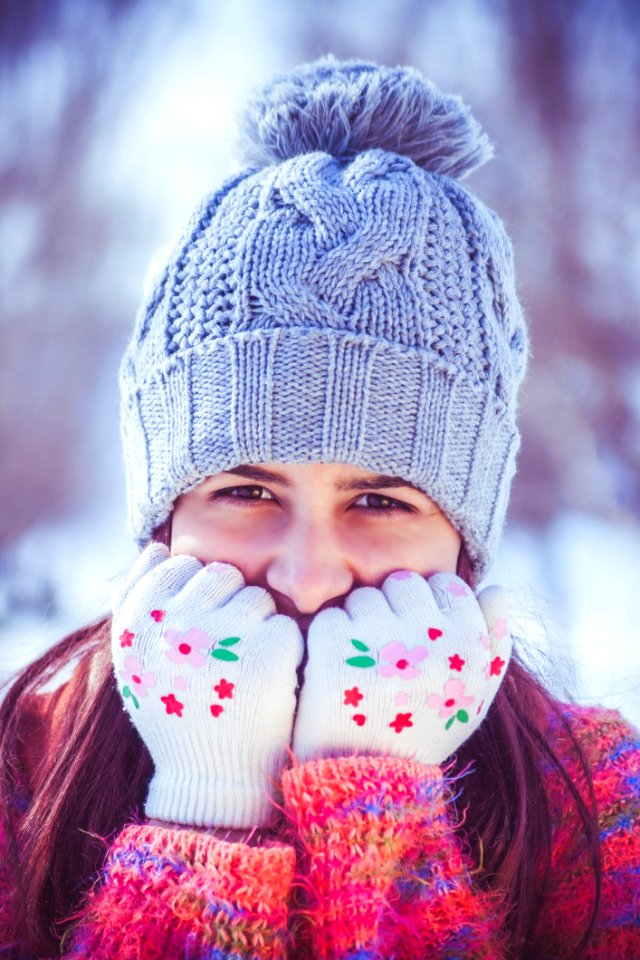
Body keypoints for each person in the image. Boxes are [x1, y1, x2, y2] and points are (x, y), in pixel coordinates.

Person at [0, 56, 637, 960]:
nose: (306, 572)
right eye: (247, 490)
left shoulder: (600, 812)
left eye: (379, 499)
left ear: (465, 540)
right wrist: (208, 809)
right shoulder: (19, 782)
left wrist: (374, 805)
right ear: (164, 520)